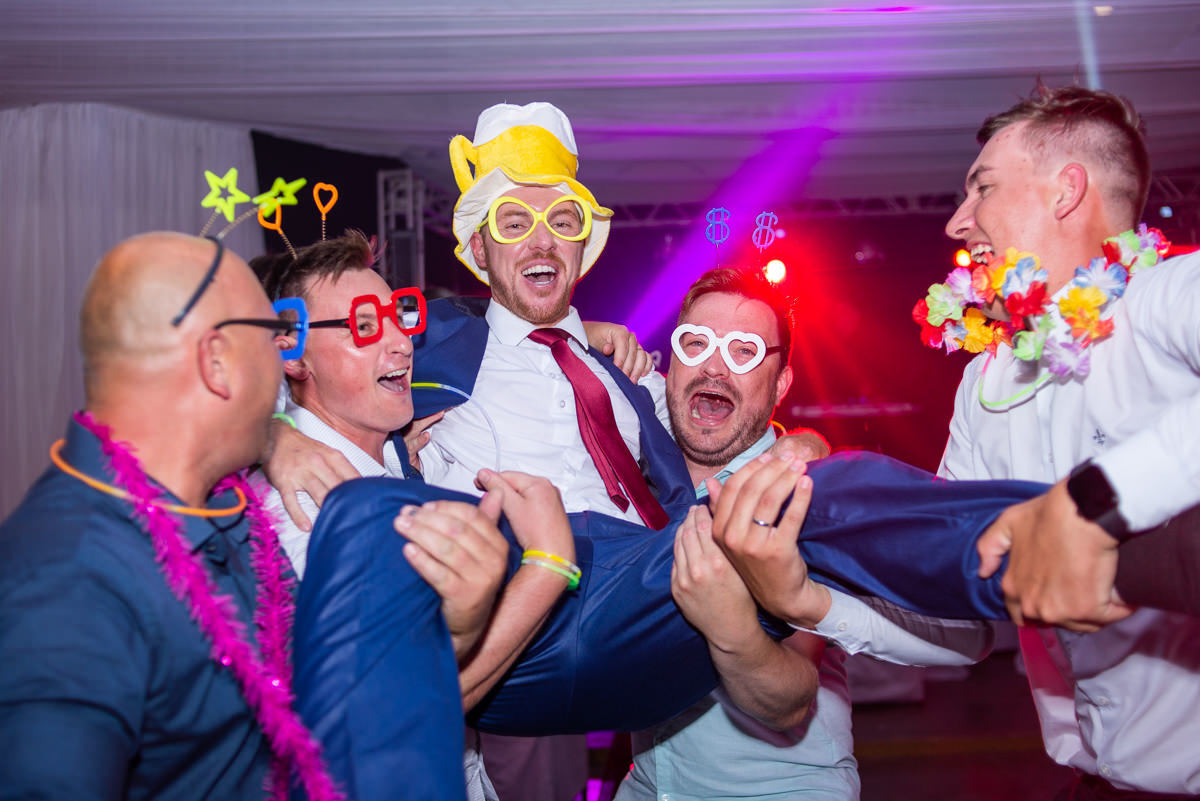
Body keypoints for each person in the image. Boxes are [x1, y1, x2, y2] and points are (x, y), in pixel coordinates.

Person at [717, 84, 1200, 799]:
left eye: (984, 188)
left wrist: (1091, 502)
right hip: (1095, 783)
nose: (957, 220)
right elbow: (957, 616)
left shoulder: (1171, 296)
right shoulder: (986, 381)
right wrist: (809, 601)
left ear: (1066, 191)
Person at [0, 232, 348, 799]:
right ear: (216, 361)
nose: (285, 352)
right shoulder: (66, 583)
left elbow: (316, 702)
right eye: (272, 333)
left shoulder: (227, 509)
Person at [259, 229, 577, 801]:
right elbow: (389, 710)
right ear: (294, 353)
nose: (401, 343)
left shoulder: (394, 458)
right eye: (363, 325)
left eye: (398, 315)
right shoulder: (305, 510)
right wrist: (549, 567)